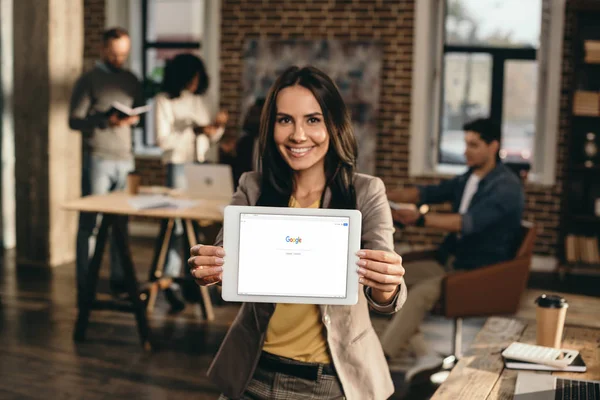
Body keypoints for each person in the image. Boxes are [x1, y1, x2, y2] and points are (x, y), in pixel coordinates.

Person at [187, 66, 407, 399]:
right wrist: (209, 270)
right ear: (270, 125)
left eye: (313, 120)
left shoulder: (366, 191)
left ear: (333, 124)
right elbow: (223, 270)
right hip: (253, 373)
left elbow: (386, 295)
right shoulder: (252, 186)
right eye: (285, 120)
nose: (298, 136)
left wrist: (387, 285)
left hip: (332, 381)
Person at [382, 118, 525, 381]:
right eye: (465, 144)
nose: (466, 151)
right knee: (387, 279)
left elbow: (466, 223)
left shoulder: (506, 187)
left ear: (494, 146)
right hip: (451, 260)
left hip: (479, 270)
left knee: (417, 295)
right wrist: (379, 192)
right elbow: (427, 193)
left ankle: (380, 362)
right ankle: (425, 354)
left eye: (474, 145)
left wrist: (420, 218)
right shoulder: (469, 177)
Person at [69, 27, 144, 303]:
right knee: (91, 223)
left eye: (123, 54)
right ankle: (85, 283)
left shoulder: (131, 80)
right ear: (102, 49)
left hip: (126, 159)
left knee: (120, 226)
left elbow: (141, 111)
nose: (118, 58)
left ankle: (118, 281)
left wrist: (134, 119)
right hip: (98, 158)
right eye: (113, 53)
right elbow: (74, 120)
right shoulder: (89, 80)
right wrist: (104, 120)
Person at [154, 53, 228, 312]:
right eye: (192, 78)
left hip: (201, 164)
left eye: (199, 78)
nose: (196, 83)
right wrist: (190, 129)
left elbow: (211, 138)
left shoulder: (201, 100)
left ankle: (192, 281)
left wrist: (216, 128)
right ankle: (171, 282)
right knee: (176, 226)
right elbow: (162, 140)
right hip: (177, 165)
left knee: (200, 225)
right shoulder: (164, 101)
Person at [232, 98, 265, 187]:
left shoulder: (278, 144)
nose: (249, 118)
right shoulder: (245, 142)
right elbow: (237, 173)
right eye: (251, 114)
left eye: (255, 114)